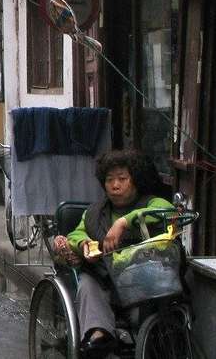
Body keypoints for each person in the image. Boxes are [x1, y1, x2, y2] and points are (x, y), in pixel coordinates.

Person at [52, 150, 173, 357]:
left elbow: (168, 211)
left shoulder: (151, 203)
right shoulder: (94, 213)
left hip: (144, 282)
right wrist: (83, 244)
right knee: (87, 285)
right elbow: (76, 233)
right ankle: (99, 336)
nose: (115, 185)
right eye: (109, 180)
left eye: (122, 179)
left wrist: (123, 222)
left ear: (136, 181)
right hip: (105, 280)